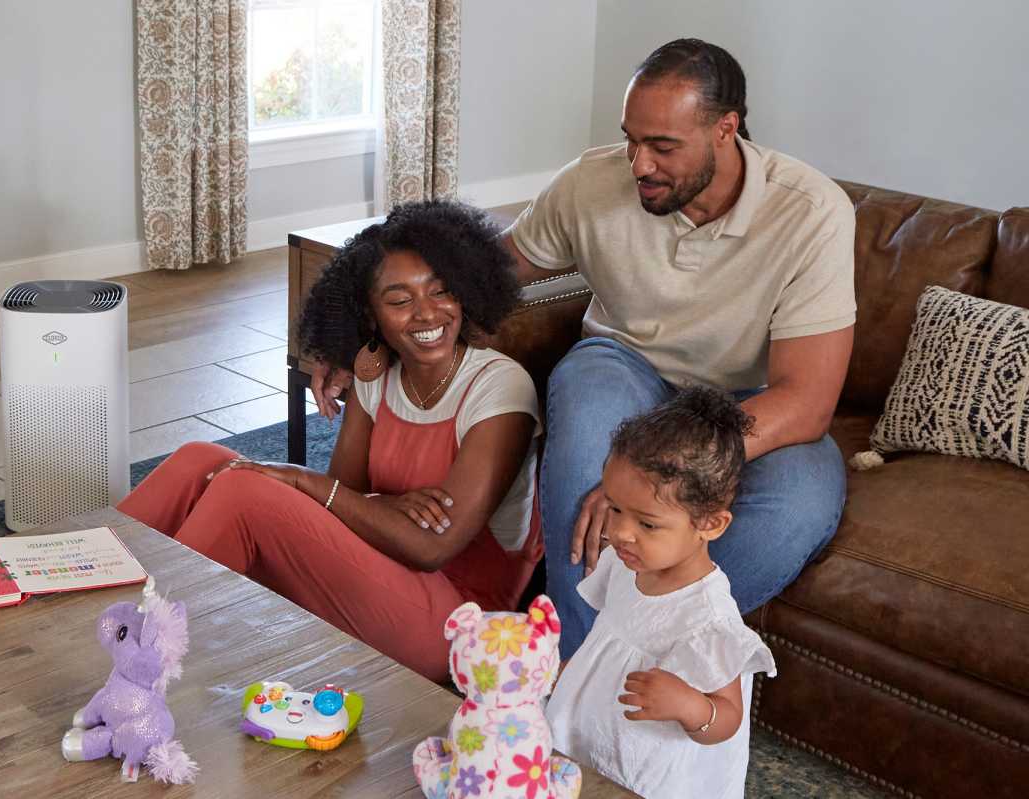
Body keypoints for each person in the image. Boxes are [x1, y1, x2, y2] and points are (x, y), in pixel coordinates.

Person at [312, 38, 855, 659]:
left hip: (747, 403)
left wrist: (658, 470)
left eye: (663, 147)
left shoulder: (812, 213)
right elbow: (480, 274)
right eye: (631, 140)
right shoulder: (592, 184)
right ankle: (572, 658)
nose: (639, 164)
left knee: (800, 505)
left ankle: (639, 649)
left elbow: (806, 401)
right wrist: (351, 331)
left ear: (726, 129)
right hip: (624, 367)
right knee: (582, 415)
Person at [117, 200, 543, 682]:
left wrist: (305, 482)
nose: (427, 313)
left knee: (245, 493)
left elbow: (430, 547)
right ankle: (94, 594)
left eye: (442, 292)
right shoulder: (378, 374)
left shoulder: (498, 387)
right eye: (400, 301)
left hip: (457, 620)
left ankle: (141, 665)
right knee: (200, 460)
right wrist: (383, 504)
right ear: (371, 314)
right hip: (386, 570)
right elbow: (346, 500)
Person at [546, 386, 776, 797]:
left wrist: (690, 706)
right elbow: (608, 638)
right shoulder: (628, 561)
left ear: (711, 525)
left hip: (650, 765)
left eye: (647, 524)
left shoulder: (709, 620)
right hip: (595, 732)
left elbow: (726, 720)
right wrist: (567, 673)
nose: (618, 533)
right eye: (614, 508)